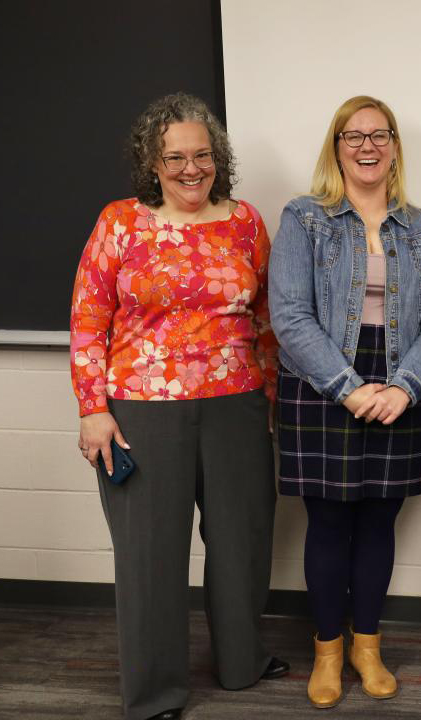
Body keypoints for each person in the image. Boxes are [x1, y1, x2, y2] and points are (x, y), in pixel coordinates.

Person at [70, 92, 287, 720]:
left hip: (237, 405)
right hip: (140, 411)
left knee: (242, 541)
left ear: (217, 158)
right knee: (150, 553)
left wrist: (269, 401)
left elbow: (266, 318)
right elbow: (88, 319)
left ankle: (242, 661)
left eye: (202, 156)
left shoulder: (245, 220)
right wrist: (93, 408)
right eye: (174, 158)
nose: (190, 169)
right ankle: (157, 691)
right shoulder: (120, 222)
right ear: (152, 162)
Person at [269, 95, 421, 710]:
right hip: (324, 380)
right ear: (336, 147)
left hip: (401, 380)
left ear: (396, 146)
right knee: (328, 524)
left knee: (379, 521)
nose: (367, 146)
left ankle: (366, 648)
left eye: (379, 135)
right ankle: (326, 651)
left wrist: (404, 386)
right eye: (354, 136)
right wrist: (349, 387)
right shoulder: (304, 219)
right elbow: (290, 317)